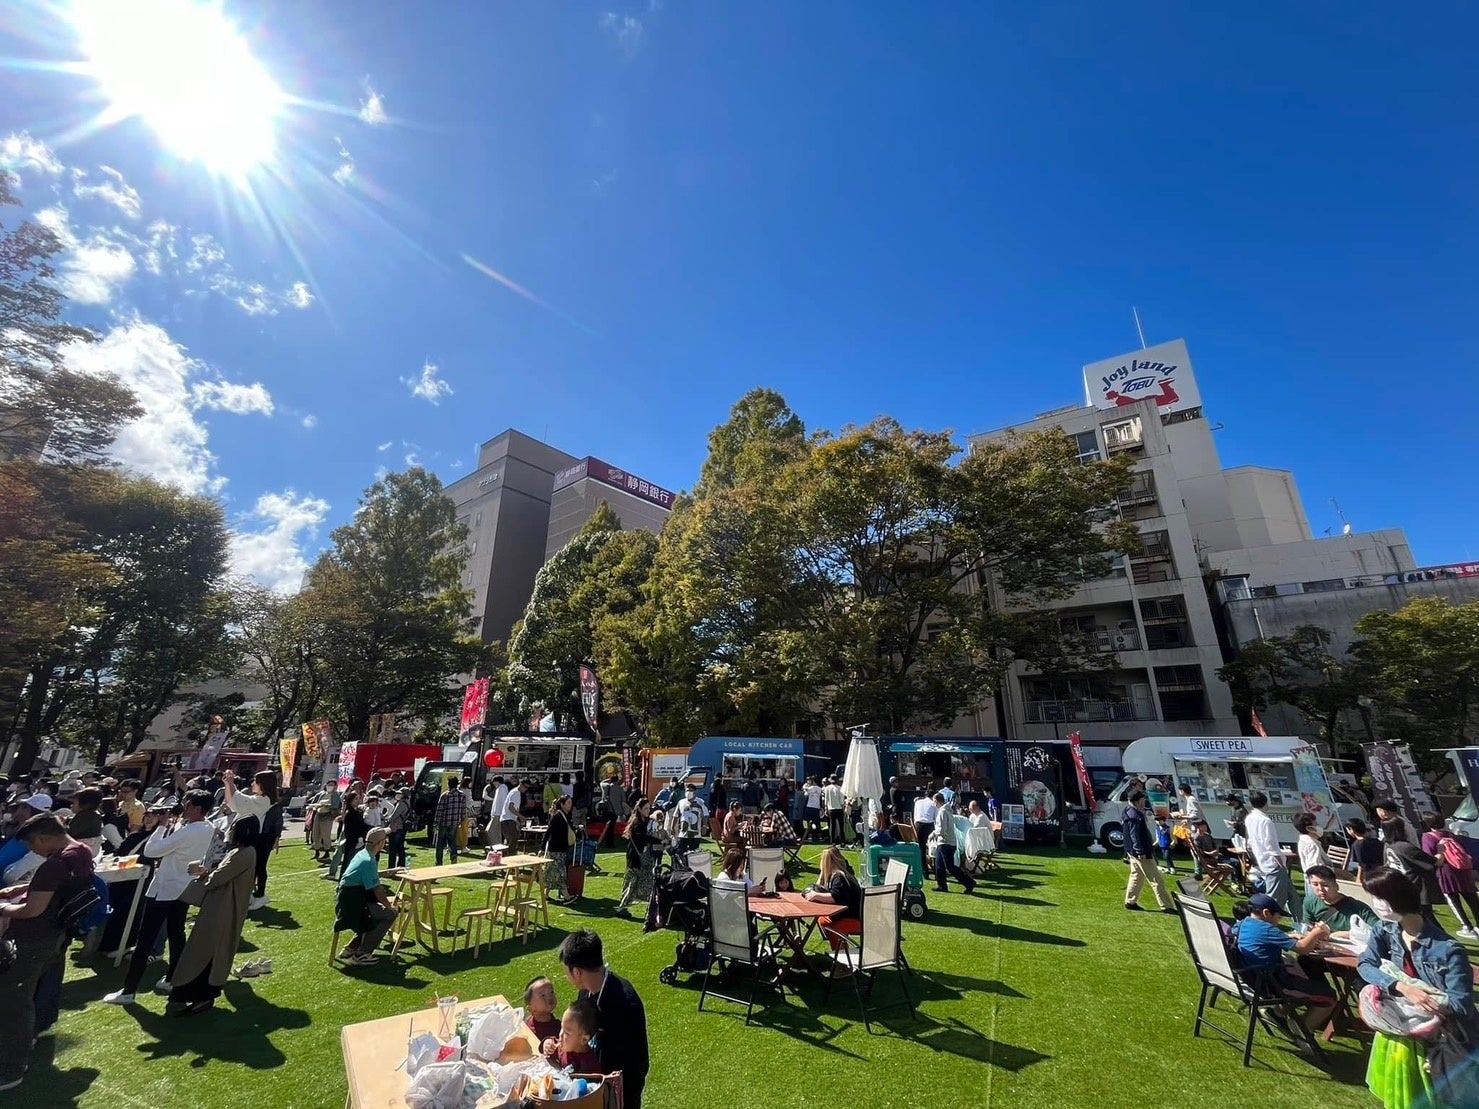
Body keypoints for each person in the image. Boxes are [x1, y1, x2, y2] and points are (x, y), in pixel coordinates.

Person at [1358, 867, 1479, 1106]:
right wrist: (1402, 987)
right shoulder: (1386, 930)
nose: (1375, 904)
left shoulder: (1448, 949)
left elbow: (1461, 1005)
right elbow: (1365, 964)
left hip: (1444, 1036)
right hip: (1402, 1031)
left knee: (1448, 1098)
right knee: (1403, 1096)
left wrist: (1427, 1002)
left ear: (1396, 898)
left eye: (1378, 897)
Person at [0, 812, 96, 1090]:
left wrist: (3, 908)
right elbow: (52, 889)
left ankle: (11, 1069)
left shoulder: (54, 865)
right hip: (54, 937)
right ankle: (24, 1041)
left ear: (44, 837)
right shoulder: (80, 851)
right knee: (24, 997)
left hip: (33, 941)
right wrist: (16, 890)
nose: (33, 852)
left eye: (33, 846)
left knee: (13, 1003)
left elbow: (33, 909)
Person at [105, 790, 217, 1005]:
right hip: (182, 888)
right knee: (176, 935)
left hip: (165, 889)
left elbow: (152, 851)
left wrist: (162, 826)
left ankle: (129, 991)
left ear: (197, 808)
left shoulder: (188, 831)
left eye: (188, 805)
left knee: (146, 938)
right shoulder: (207, 828)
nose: (183, 807)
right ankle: (173, 979)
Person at [167, 815, 258, 1014]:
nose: (230, 831)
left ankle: (201, 996)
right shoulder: (243, 852)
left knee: (205, 952)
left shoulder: (243, 854)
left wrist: (204, 874)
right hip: (220, 908)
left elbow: (218, 878)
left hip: (222, 911)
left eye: (234, 827)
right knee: (204, 950)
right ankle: (193, 993)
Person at [558, 929, 649, 1109]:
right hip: (595, 1082)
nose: (566, 976)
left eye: (566, 971)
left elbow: (632, 1065)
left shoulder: (623, 1003)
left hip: (620, 1089)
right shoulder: (587, 991)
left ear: (576, 972)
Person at [1231, 892, 1336, 1033]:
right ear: (1266, 913)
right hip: (1273, 984)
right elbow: (1303, 948)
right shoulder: (1267, 929)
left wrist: (1286, 936)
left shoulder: (1244, 924)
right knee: (1329, 996)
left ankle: (1278, 1013)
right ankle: (1303, 1032)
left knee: (1300, 971)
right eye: (1278, 917)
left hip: (1254, 978)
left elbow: (1259, 938)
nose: (1278, 921)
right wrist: (1316, 932)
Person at [334, 827, 399, 965]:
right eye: (385, 840)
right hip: (354, 905)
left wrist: (386, 872)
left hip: (348, 900)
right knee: (389, 914)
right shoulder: (369, 861)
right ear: (380, 843)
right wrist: (390, 906)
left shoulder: (362, 854)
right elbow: (377, 889)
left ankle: (352, 947)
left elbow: (365, 876)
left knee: (377, 912)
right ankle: (363, 953)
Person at [1421, 811, 1479, 940]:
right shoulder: (1451, 835)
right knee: (1473, 900)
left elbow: (1430, 857)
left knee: (1454, 901)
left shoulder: (1428, 837)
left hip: (1445, 873)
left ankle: (1468, 928)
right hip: (1463, 871)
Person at [1245, 792, 1301, 923]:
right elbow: (1271, 843)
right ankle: (1261, 924)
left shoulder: (1250, 818)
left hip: (1262, 859)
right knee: (1274, 901)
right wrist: (1280, 861)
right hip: (1273, 863)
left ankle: (1300, 924)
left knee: (1293, 897)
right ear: (1266, 803)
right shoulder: (1265, 821)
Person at [1122, 791, 1173, 913]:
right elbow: (1135, 836)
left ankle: (1130, 901)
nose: (1144, 802)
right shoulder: (1135, 816)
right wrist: (1140, 851)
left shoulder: (1128, 812)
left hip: (1132, 852)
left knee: (1136, 876)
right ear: (1138, 800)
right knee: (1156, 880)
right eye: (1143, 799)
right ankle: (1166, 906)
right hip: (1141, 853)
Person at [1382, 816, 1441, 923]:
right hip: (1416, 890)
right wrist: (1441, 850)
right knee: (1428, 921)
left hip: (1401, 888)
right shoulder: (1405, 847)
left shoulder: (1387, 846)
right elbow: (1436, 862)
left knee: (1419, 921)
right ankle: (1446, 939)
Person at [804, 846, 863, 944]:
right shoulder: (838, 875)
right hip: (846, 915)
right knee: (823, 920)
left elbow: (835, 897)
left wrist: (816, 895)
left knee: (834, 927)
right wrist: (822, 873)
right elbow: (819, 887)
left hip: (854, 918)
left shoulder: (839, 877)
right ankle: (837, 948)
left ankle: (840, 953)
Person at [1301, 864, 1379, 935]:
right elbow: (1307, 927)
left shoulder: (1359, 908)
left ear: (1336, 886)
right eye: (1315, 884)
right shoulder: (1309, 902)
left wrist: (1341, 935)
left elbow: (1378, 930)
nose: (1320, 889)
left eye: (1325, 885)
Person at [615, 797, 658, 915]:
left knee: (642, 882)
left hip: (640, 857)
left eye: (649, 808)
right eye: (646, 808)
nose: (648, 811)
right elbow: (641, 838)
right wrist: (657, 840)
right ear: (639, 809)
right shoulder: (637, 823)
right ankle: (622, 907)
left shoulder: (643, 820)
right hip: (636, 858)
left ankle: (649, 906)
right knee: (632, 883)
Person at [542, 997, 602, 1074]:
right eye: (561, 1028)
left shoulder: (589, 1067)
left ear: (584, 1039)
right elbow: (552, 1045)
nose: (560, 1034)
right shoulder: (563, 1047)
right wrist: (547, 1043)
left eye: (567, 1033)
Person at [931, 791, 976, 894]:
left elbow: (943, 829)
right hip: (945, 842)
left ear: (937, 801)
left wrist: (934, 834)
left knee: (950, 867)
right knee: (939, 864)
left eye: (934, 802)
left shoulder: (942, 812)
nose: (933, 804)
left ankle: (969, 882)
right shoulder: (947, 810)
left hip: (946, 842)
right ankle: (941, 885)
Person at [327, 790, 369, 881]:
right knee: (348, 863)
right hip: (352, 842)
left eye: (358, 798)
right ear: (351, 800)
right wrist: (357, 840)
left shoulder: (358, 811)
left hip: (359, 841)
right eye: (355, 799)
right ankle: (342, 882)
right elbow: (349, 830)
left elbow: (361, 826)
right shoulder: (349, 813)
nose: (358, 800)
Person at [543, 794, 576, 903]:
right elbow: (549, 831)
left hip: (561, 847)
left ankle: (545, 894)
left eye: (571, 802)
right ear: (562, 804)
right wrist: (542, 848)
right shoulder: (558, 816)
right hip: (556, 848)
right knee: (560, 872)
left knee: (552, 871)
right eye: (568, 803)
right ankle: (567, 897)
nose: (570, 805)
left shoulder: (565, 814)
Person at [433, 776, 467, 866]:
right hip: (455, 822)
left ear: (448, 784)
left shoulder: (445, 795)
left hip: (444, 822)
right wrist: (462, 819)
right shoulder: (462, 795)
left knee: (440, 842)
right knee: (452, 841)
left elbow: (439, 810)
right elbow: (463, 810)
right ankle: (454, 858)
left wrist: (436, 822)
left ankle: (439, 861)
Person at [66, 787, 105, 856]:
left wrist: (60, 826)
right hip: (89, 848)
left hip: (84, 850)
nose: (71, 806)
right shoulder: (91, 814)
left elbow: (71, 832)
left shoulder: (86, 816)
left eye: (74, 803)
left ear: (85, 805)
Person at [524, 975, 561, 1042]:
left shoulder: (559, 1028)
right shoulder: (525, 1026)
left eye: (551, 992)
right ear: (530, 1008)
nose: (549, 996)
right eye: (543, 995)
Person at [1346, 816, 1384, 882]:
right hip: (1381, 873)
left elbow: (1362, 865)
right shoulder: (1377, 841)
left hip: (1369, 876)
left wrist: (1358, 880)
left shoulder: (1357, 844)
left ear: (1351, 830)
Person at [1293, 812, 1330, 879]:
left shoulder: (1303, 841)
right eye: (1316, 824)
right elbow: (1316, 868)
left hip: (1309, 879)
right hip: (1318, 881)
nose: (1319, 826)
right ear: (1310, 828)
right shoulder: (1312, 845)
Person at [499, 779, 522, 848]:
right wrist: (521, 816)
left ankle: (507, 853)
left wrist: (517, 821)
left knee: (510, 839)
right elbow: (511, 807)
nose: (526, 789)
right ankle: (510, 853)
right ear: (520, 785)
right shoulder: (516, 793)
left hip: (507, 819)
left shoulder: (514, 792)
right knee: (513, 838)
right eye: (525, 787)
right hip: (508, 820)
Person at [823, 776, 846, 845]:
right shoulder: (840, 788)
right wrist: (843, 809)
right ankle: (842, 841)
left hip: (831, 809)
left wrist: (825, 808)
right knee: (841, 826)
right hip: (839, 808)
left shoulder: (827, 788)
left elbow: (826, 799)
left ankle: (832, 841)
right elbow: (841, 800)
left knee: (832, 825)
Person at [802, 776, 824, 843]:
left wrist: (805, 788)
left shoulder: (810, 788)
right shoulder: (820, 789)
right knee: (817, 822)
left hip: (809, 807)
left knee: (809, 823)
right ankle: (820, 837)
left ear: (813, 781)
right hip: (816, 807)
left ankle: (810, 837)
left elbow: (805, 795)